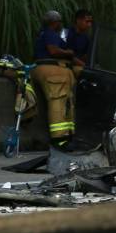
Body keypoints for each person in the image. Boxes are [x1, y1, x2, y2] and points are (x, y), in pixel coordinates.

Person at [30, 10, 78, 150]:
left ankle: (67, 136)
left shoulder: (42, 34)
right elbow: (53, 51)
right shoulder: (50, 34)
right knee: (58, 101)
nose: (60, 25)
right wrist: (69, 52)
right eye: (59, 22)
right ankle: (60, 140)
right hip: (51, 69)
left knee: (64, 103)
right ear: (54, 23)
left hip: (44, 68)